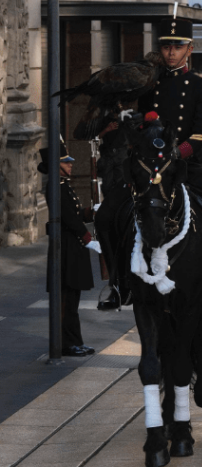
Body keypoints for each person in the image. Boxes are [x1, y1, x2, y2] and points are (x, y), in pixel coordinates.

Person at [130, 17, 202, 305]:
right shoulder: (149, 84)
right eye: (166, 46)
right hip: (151, 168)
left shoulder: (199, 86)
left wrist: (176, 153)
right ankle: (121, 283)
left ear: (189, 50)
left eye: (177, 47)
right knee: (109, 215)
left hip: (186, 165)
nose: (171, 52)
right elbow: (142, 124)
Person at [42, 142, 99, 356]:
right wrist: (87, 238)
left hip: (71, 248)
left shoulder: (63, 184)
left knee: (73, 301)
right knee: (66, 302)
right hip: (65, 249)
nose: (71, 165)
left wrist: (92, 212)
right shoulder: (56, 186)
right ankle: (67, 343)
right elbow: (68, 218)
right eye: (66, 162)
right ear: (57, 165)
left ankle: (76, 341)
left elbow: (75, 214)